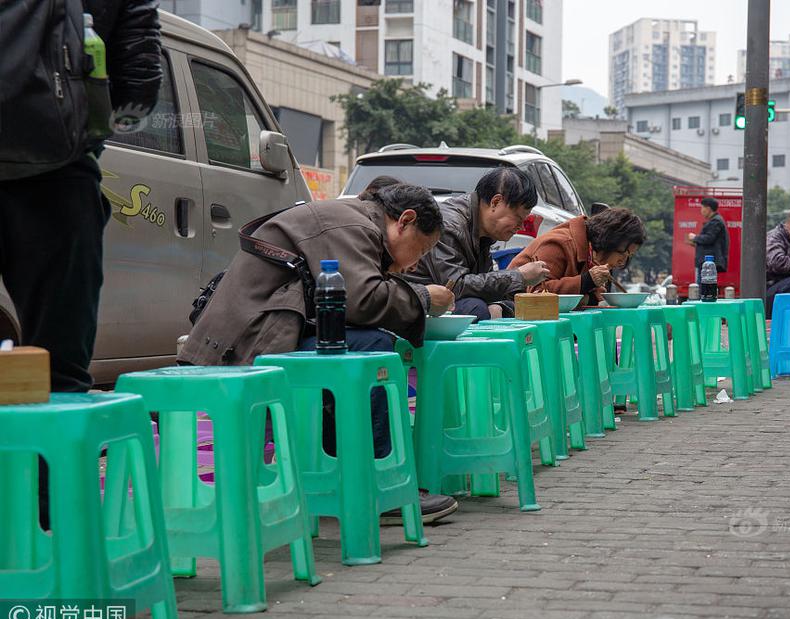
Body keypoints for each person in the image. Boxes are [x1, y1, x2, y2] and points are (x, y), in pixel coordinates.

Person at [178, 184, 459, 522]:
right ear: (405, 221)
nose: (417, 263)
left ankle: (344, 470)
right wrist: (424, 298)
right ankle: (381, 484)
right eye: (422, 249)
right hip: (249, 346)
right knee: (370, 350)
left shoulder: (353, 221)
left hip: (265, 335)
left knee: (361, 346)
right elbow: (361, 300)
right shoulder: (352, 225)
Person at [1, 0, 162, 532]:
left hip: (58, 175)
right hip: (56, 177)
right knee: (59, 376)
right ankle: (57, 544)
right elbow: (138, 88)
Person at [404, 167, 549, 321]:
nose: (520, 227)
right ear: (496, 202)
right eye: (518, 218)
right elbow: (454, 287)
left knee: (517, 306)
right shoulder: (450, 224)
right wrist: (519, 276)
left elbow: (482, 284)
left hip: (446, 303)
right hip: (417, 304)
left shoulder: (483, 230)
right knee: (475, 308)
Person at [507, 207, 647, 307]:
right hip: (512, 312)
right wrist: (586, 282)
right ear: (609, 242)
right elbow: (537, 294)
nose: (623, 261)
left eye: (629, 255)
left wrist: (592, 295)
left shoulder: (593, 255)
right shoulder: (559, 243)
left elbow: (589, 297)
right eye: (622, 252)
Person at [686, 197, 729, 284]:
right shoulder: (715, 220)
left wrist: (695, 238)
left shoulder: (716, 221)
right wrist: (696, 243)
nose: (701, 210)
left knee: (704, 289)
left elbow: (709, 238)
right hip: (707, 263)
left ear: (708, 209)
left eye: (702, 207)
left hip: (708, 264)